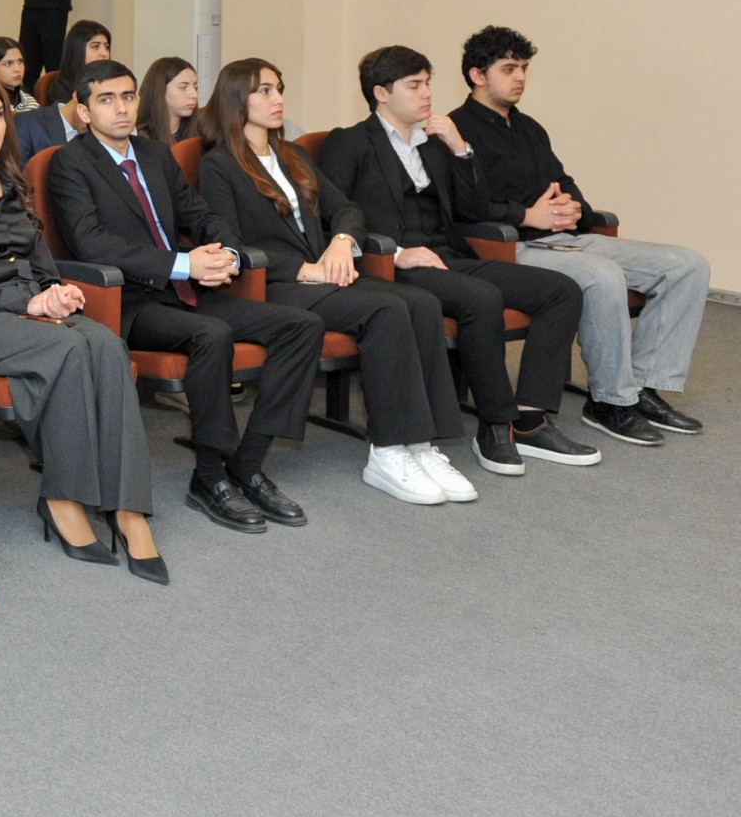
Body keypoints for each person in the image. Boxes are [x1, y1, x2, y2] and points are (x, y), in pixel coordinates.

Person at [47, 59, 325, 533]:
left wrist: (228, 254)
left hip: (188, 288)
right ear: (84, 111)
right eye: (106, 100)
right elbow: (92, 244)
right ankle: (210, 476)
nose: (121, 108)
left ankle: (248, 464)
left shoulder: (155, 154)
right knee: (210, 335)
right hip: (130, 301)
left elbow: (202, 215)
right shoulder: (70, 162)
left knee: (302, 326)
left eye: (128, 96)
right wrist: (184, 264)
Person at [0, 74, 163, 580]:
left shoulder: (13, 183)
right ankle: (63, 497)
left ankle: (128, 508)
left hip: (30, 313)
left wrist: (58, 293)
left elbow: (44, 267)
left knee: (107, 344)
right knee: (67, 349)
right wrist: (29, 301)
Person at [198, 60, 480, 506]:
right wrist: (303, 269)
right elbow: (230, 243)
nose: (278, 99)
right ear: (236, 100)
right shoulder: (218, 165)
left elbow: (347, 209)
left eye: (279, 88)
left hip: (324, 274)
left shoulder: (293, 156)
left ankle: (421, 444)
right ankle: (388, 450)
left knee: (422, 302)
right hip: (272, 283)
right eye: (264, 91)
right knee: (386, 310)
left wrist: (341, 242)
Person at [319, 46, 595, 475]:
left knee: (561, 291)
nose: (427, 93)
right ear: (381, 93)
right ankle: (495, 425)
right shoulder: (350, 142)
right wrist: (397, 253)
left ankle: (529, 417)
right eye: (414, 85)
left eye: (428, 83)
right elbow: (332, 214)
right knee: (480, 298)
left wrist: (461, 150)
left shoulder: (434, 144)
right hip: (391, 265)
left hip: (448, 254)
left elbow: (471, 210)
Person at [449, 26, 707, 441]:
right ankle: (609, 401)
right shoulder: (455, 132)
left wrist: (574, 209)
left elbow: (562, 181)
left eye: (524, 68)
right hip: (511, 247)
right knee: (601, 273)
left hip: (565, 237)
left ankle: (642, 387)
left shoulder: (530, 128)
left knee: (687, 265)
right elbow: (465, 210)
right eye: (509, 69)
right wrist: (528, 215)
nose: (521, 77)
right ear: (477, 75)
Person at [40, 20, 111, 106]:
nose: (104, 54)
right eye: (95, 46)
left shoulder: (112, 82)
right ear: (77, 50)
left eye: (106, 47)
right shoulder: (61, 89)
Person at [135, 56, 200, 148]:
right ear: (160, 90)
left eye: (196, 87)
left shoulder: (199, 133)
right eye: (183, 87)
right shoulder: (140, 139)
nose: (194, 95)